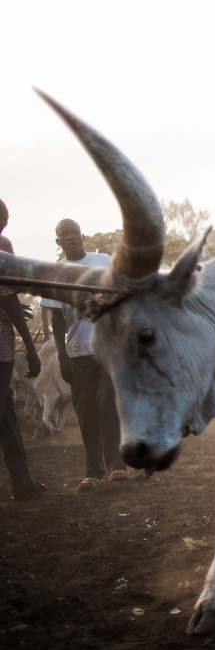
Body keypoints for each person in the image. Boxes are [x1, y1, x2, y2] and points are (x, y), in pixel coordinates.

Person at [40, 219, 128, 491]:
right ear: (58, 242)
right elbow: (56, 318)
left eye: (74, 233)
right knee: (85, 411)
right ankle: (93, 471)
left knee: (108, 404)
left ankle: (117, 466)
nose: (70, 238)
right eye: (63, 235)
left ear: (83, 236)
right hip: (77, 352)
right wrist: (63, 356)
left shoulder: (102, 261)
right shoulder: (55, 272)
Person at [0, 199, 45, 500]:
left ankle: (22, 481)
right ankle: (22, 481)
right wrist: (30, 348)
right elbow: (8, 298)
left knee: (7, 414)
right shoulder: (2, 245)